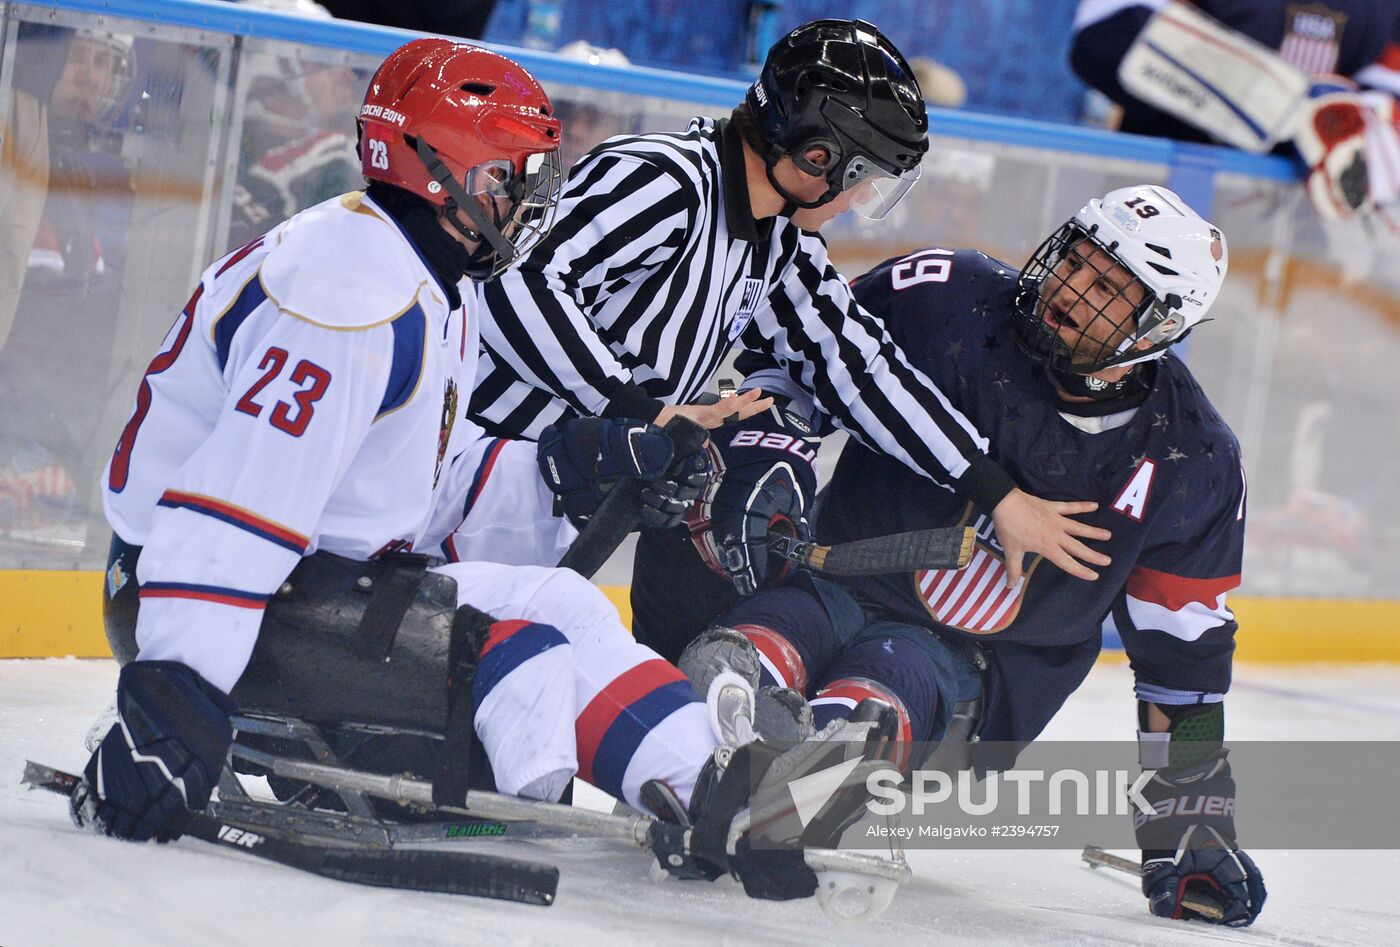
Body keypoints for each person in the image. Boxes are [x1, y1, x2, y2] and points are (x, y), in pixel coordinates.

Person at [71, 37, 851, 902]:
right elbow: (234, 507)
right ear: (441, 173)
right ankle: (379, 759)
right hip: (190, 597)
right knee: (522, 660)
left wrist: (566, 467)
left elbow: (409, 485)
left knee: (564, 604)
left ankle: (717, 786)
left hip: (303, 584)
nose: (528, 204)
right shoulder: (351, 292)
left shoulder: (428, 278)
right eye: (511, 180)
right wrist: (171, 693)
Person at [685, 185, 1267, 926]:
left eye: (1106, 290)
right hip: (834, 581)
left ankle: (801, 778)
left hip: (974, 672)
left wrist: (1189, 820)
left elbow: (1184, 668)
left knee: (874, 699)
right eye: (1076, 262)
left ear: (1158, 327)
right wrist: (764, 448)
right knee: (736, 652)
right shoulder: (945, 299)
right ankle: (697, 763)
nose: (1068, 289)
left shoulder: (1194, 458)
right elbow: (800, 364)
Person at [470, 18, 1113, 661]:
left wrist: (992, 490)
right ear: (815, 154)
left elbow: (858, 368)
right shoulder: (666, 182)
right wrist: (645, 413)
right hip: (469, 478)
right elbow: (516, 284)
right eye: (862, 176)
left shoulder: (780, 242)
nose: (858, 198)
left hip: (554, 499)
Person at [1071, 0, 1400, 220]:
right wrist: (1286, 113)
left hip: (1297, 229)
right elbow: (1103, 35)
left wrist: (1368, 126)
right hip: (1158, 202)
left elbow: (1387, 89)